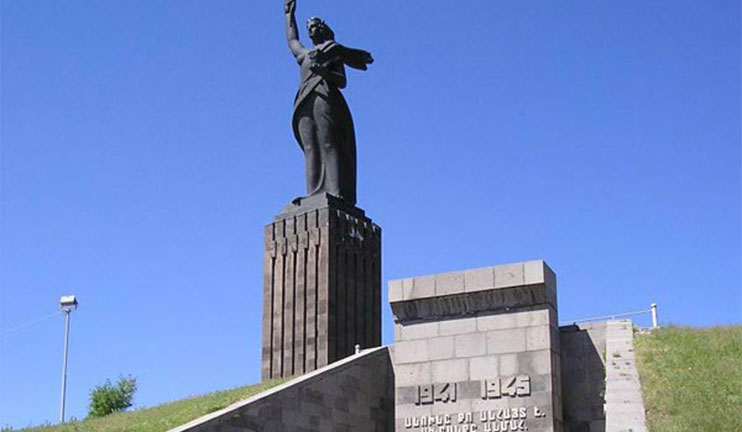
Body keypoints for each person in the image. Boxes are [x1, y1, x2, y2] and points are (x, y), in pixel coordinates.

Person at [284, 0, 373, 206]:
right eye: (309, 28)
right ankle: (313, 193)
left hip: (325, 98)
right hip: (305, 102)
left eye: (315, 26)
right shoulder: (305, 55)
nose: (312, 30)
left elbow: (342, 81)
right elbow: (292, 41)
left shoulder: (331, 52)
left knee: (328, 142)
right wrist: (289, 15)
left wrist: (324, 72)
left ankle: (335, 190)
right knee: (310, 147)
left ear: (323, 29)